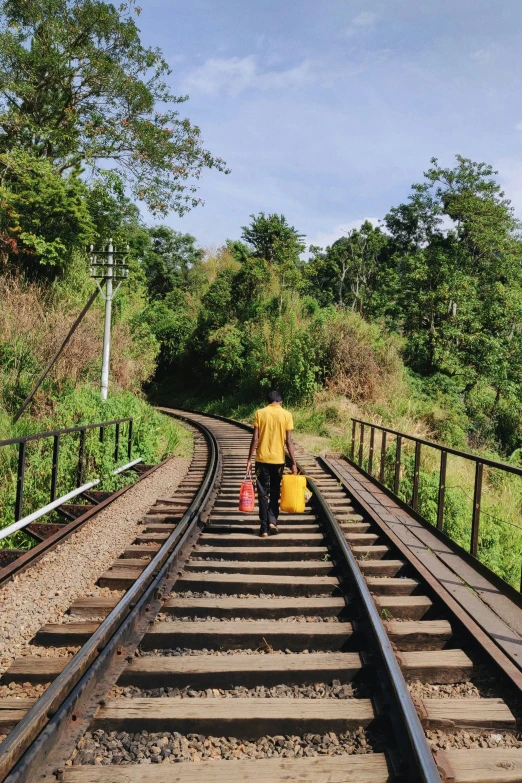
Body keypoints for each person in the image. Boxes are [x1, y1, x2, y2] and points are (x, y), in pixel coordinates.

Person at [246, 390, 298, 537]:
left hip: (261, 460)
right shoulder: (287, 415)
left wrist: (249, 459)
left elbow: (255, 438)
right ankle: (272, 521)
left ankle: (263, 529)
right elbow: (289, 441)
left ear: (267, 402)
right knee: (275, 491)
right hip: (278, 461)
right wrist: (293, 463)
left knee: (263, 494)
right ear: (280, 402)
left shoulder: (259, 413)